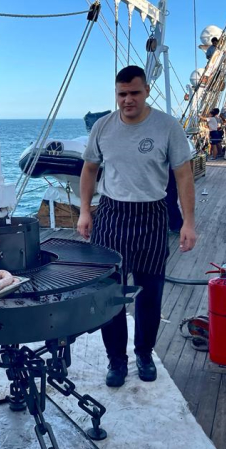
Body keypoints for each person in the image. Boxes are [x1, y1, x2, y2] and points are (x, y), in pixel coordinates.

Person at [77, 66, 197, 387]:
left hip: (152, 216)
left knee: (150, 294)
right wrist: (85, 211)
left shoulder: (167, 127)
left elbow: (183, 175)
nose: (128, 100)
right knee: (110, 294)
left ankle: (144, 353)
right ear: (116, 94)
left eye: (134, 93)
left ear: (146, 91)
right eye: (122, 94)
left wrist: (188, 222)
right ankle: (116, 360)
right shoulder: (103, 127)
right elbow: (89, 169)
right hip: (112, 216)